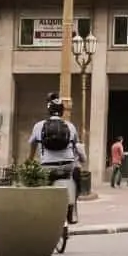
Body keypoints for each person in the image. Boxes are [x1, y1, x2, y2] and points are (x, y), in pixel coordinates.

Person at [29, 96, 85, 224]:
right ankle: (71, 212)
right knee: (73, 181)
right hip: (67, 165)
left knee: (44, 186)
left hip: (47, 166)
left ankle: (44, 212)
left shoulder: (38, 126)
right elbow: (76, 145)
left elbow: (32, 147)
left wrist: (30, 161)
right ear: (62, 111)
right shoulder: (70, 126)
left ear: (49, 111)